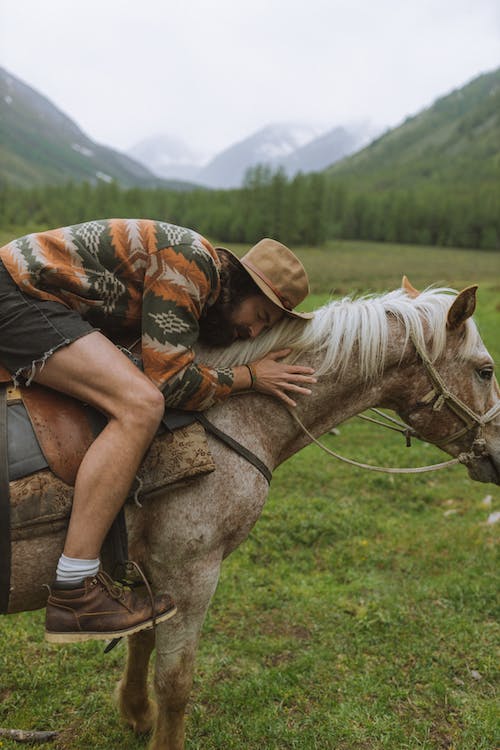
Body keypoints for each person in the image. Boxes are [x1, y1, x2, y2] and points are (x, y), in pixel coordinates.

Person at [0, 218, 316, 643]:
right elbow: (170, 383)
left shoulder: (195, 276)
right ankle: (75, 588)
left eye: (264, 330)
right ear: (238, 286)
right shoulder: (191, 266)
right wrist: (250, 377)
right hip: (16, 295)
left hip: (27, 296)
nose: (254, 332)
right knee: (140, 405)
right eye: (259, 317)